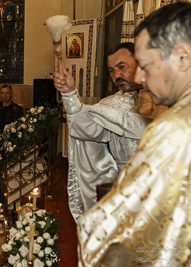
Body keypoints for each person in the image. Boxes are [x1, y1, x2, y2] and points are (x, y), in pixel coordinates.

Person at [77, 2, 191, 266]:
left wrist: (91, 230)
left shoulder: (175, 129)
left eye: (145, 64)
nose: (139, 76)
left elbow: (136, 236)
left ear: (183, 58)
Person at [53, 42, 160, 221]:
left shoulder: (168, 100)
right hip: (126, 198)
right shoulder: (111, 105)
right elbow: (84, 128)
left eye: (121, 67)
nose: (116, 75)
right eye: (111, 70)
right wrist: (70, 94)